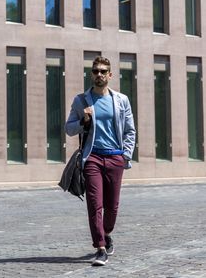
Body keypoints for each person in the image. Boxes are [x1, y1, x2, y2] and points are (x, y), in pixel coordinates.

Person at [65, 56, 136, 266]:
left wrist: (126, 155)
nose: (99, 75)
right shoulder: (81, 101)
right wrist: (83, 120)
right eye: (95, 71)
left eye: (103, 71)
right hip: (93, 158)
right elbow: (69, 129)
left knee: (112, 207)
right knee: (95, 205)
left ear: (110, 75)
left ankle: (106, 233)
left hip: (115, 157)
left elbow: (130, 130)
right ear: (91, 74)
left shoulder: (121, 100)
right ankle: (101, 248)